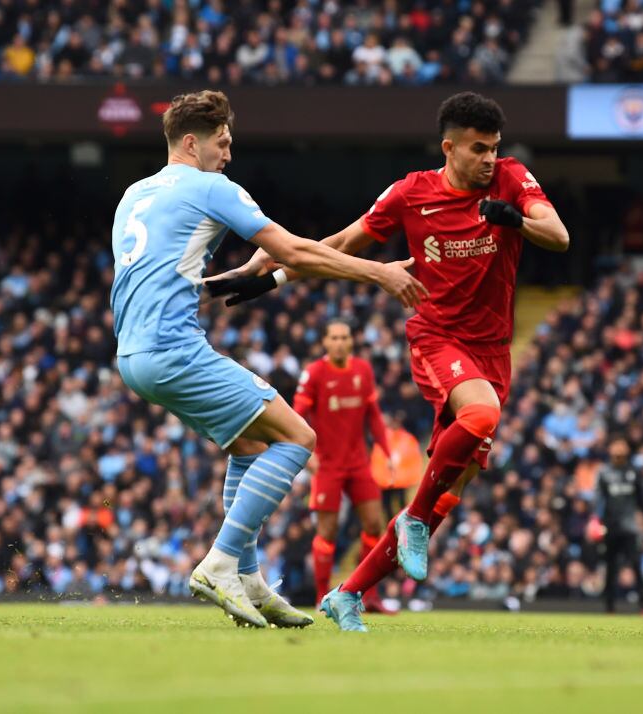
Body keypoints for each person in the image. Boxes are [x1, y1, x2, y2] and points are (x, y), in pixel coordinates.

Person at [208, 91, 570, 631]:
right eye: (478, 149)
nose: (490, 159)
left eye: (494, 148)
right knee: (479, 417)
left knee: (455, 484)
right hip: (437, 336)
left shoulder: (511, 180)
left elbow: (559, 237)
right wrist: (277, 276)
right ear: (449, 147)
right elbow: (347, 242)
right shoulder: (411, 193)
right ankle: (416, 522)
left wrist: (512, 218)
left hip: (493, 351)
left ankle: (349, 593)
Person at [109, 89, 427, 628]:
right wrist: (381, 273)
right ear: (192, 142)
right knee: (299, 437)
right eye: (222, 142)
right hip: (173, 349)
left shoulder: (135, 194)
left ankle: (250, 581)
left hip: (132, 354)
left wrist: (240, 278)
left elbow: (163, 280)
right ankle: (220, 562)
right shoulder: (212, 187)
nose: (229, 154)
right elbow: (296, 251)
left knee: (251, 444)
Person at [295, 320, 393, 611]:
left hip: (359, 462)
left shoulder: (363, 370)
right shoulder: (314, 374)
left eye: (344, 337)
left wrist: (386, 451)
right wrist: (306, 454)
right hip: (327, 465)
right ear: (325, 342)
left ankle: (369, 596)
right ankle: (321, 598)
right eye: (334, 337)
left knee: (376, 525)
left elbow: (373, 415)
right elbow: (297, 415)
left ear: (351, 341)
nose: (339, 342)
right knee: (327, 532)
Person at [588, 435, 643, 613]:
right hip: (611, 526)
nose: (619, 449)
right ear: (610, 449)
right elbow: (599, 499)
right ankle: (609, 607)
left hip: (631, 526)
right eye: (616, 444)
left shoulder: (633, 472)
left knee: (636, 565)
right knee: (610, 567)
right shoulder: (604, 472)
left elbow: (641, 500)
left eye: (622, 444)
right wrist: (595, 520)